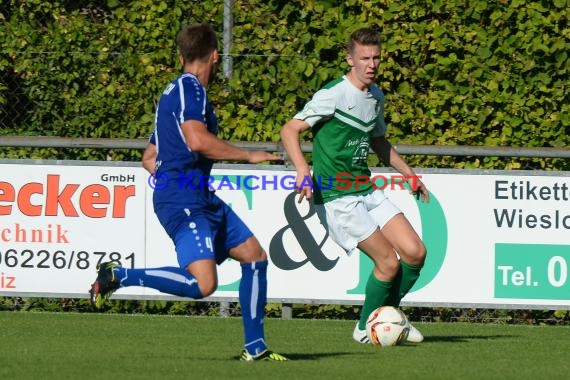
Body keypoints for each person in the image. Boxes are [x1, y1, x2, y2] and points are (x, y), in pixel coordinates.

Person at [89, 24, 288, 362]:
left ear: (181, 56)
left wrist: (173, 178)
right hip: (184, 198)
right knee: (203, 285)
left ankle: (255, 348)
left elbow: (149, 158)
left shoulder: (174, 94)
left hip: (196, 195)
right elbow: (196, 140)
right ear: (215, 55)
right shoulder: (190, 88)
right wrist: (247, 155)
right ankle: (118, 275)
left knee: (254, 256)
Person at [280, 27, 429, 344]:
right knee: (387, 263)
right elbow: (289, 130)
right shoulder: (333, 94)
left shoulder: (376, 97)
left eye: (376, 57)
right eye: (364, 58)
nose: (371, 64)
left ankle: (389, 320)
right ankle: (366, 329)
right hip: (337, 196)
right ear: (350, 59)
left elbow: (378, 142)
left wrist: (409, 174)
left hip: (366, 188)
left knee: (415, 253)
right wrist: (302, 169)